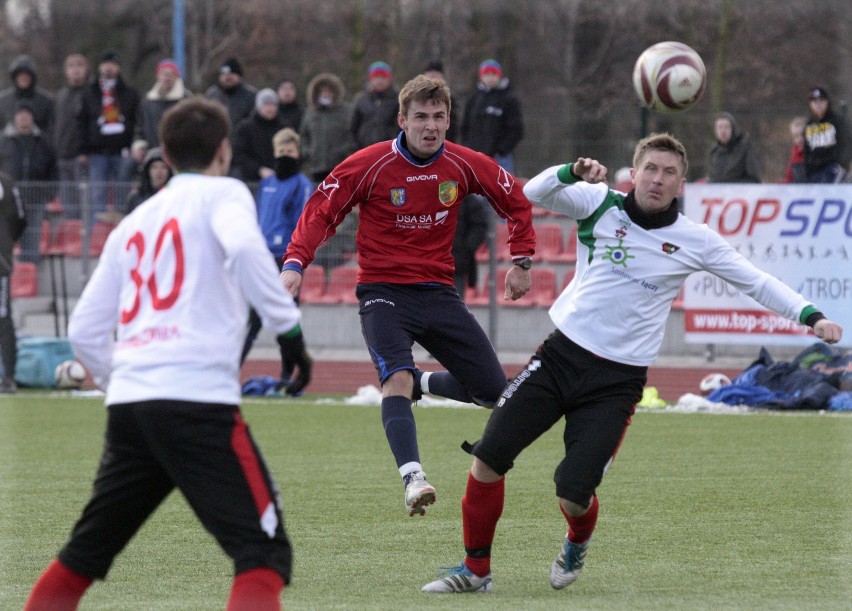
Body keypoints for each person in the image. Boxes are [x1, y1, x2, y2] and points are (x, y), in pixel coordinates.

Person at [421, 133, 844, 593]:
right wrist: (570, 171)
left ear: (681, 184)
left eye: (668, 173)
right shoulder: (600, 202)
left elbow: (756, 282)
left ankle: (577, 541)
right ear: (634, 172)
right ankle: (476, 571)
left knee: (572, 491)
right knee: (488, 457)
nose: (657, 180)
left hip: (616, 383)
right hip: (560, 357)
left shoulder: (695, 240)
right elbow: (533, 192)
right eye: (651, 169)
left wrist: (810, 315)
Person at [24, 96, 311, 611]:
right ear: (225, 150)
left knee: (82, 557)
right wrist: (289, 335)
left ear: (164, 152)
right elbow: (247, 250)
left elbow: (85, 330)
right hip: (197, 402)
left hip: (131, 406)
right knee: (262, 555)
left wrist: (130, 377)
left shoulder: (135, 221)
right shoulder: (225, 194)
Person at [281, 75, 535, 517]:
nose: (430, 126)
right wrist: (294, 264)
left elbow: (516, 198)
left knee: (496, 392)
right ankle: (413, 477)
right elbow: (321, 211)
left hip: (438, 292)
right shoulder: (369, 164)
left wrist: (523, 259)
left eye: (439, 117)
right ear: (402, 120)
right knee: (394, 378)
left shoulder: (463, 164)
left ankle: (422, 382)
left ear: (449, 120)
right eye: (421, 117)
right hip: (383, 292)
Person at [240, 128, 314, 391]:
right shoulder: (267, 184)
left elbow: (303, 222)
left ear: (297, 153)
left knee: (285, 317)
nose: (285, 156)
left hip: (286, 260)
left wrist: (295, 256)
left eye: (289, 151)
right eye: (281, 152)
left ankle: (289, 373)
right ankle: (231, 370)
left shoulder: (302, 185)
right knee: (252, 318)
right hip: (261, 257)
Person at [76, 51, 141, 225]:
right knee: (98, 196)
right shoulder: (90, 93)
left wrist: (136, 146)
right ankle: (98, 237)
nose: (109, 67)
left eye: (112, 64)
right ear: (99, 67)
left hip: (122, 152)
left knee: (123, 196)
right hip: (97, 152)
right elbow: (81, 123)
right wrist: (82, 150)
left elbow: (137, 121)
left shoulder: (129, 93)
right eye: (105, 64)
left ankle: (124, 229)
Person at [0, 100, 57, 264]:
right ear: (15, 117)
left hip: (35, 201)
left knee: (32, 242)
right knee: (5, 242)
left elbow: (53, 171)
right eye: (20, 114)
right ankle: (7, 283)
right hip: (7, 204)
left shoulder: (44, 141)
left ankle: (31, 282)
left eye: (27, 114)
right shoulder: (3, 141)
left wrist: (47, 194)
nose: (24, 118)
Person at [460, 59, 524, 173]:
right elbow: (465, 127)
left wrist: (501, 150)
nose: (490, 78)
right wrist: (467, 148)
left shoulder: (509, 99)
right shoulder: (474, 99)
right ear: (481, 76)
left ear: (499, 75)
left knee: (503, 188)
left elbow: (516, 129)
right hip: (475, 156)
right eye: (487, 74)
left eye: (493, 74)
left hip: (500, 158)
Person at [300, 72, 354, 184]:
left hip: (339, 165)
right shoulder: (310, 113)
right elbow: (303, 136)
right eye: (322, 91)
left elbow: (352, 134)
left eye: (329, 91)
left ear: (335, 92)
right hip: (315, 166)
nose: (326, 94)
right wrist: (308, 152)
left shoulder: (347, 111)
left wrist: (345, 151)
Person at [53, 54, 89, 218]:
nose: (75, 69)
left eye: (79, 65)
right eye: (71, 66)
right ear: (66, 71)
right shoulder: (60, 96)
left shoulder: (90, 94)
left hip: (83, 159)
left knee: (85, 205)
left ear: (86, 70)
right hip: (62, 158)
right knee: (68, 207)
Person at [133, 58, 192, 153]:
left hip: (179, 153)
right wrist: (139, 145)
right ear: (158, 76)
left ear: (176, 77)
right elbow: (140, 126)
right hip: (153, 152)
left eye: (171, 74)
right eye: (164, 74)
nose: (167, 78)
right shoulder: (148, 101)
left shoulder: (186, 100)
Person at [0, 171, 25, 393]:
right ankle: (8, 377)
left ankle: (8, 376)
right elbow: (21, 219)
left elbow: (19, 218)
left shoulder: (6, 184)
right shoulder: (7, 182)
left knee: (2, 317)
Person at [232, 88, 289, 182]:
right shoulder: (245, 128)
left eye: (273, 105)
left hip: (280, 179)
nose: (270, 108)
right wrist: (258, 170)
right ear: (259, 106)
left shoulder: (284, 128)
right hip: (252, 181)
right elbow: (239, 155)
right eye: (266, 105)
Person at [803, 86, 850, 183]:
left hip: (833, 169)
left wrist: (842, 164)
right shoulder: (809, 125)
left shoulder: (837, 121)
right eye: (814, 102)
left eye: (821, 101)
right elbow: (806, 149)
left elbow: (847, 144)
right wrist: (808, 168)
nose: (818, 105)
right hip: (815, 171)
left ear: (827, 102)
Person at [0, 54, 54, 135]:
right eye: (20, 75)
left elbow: (51, 128)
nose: (23, 78)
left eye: (27, 75)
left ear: (32, 77)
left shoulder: (45, 101)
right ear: (15, 77)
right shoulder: (3, 101)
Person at [350, 61, 399, 150]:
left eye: (383, 77)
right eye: (376, 77)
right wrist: (354, 146)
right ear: (371, 79)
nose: (379, 81)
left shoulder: (397, 100)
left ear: (389, 79)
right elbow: (353, 127)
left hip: (389, 149)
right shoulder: (361, 99)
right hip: (364, 149)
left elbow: (399, 127)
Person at [204, 57, 257, 137]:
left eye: (231, 74)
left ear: (239, 76)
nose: (227, 77)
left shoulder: (251, 96)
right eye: (224, 74)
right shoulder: (211, 94)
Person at [452, 194, 489, 299]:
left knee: (454, 306)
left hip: (456, 264)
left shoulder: (465, 197)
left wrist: (466, 249)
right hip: (429, 265)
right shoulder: (427, 194)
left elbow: (480, 226)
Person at [707, 111, 761, 183]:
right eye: (720, 127)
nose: (723, 131)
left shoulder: (744, 147)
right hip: (719, 193)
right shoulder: (714, 151)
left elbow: (754, 179)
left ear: (733, 129)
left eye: (726, 127)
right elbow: (712, 179)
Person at [125, 146, 173, 214]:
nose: (159, 171)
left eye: (163, 167)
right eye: (154, 167)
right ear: (147, 170)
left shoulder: (174, 197)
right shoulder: (135, 198)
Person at [422, 60, 458, 142]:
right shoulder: (415, 97)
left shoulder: (449, 98)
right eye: (430, 75)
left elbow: (454, 126)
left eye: (435, 76)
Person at [783, 116, 807, 184]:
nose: (799, 139)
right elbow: (789, 177)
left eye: (802, 135)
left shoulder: (815, 153)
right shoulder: (795, 154)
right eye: (795, 136)